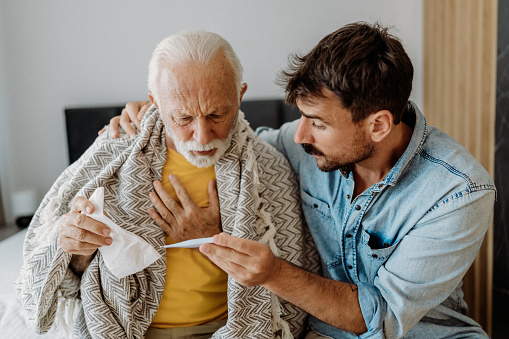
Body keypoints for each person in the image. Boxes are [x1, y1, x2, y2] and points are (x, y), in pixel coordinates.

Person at [117, 22, 496, 338]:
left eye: (317, 123)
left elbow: (380, 319)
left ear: (378, 124)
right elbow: (234, 146)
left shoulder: (459, 192)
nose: (299, 136)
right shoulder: (300, 147)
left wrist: (273, 273)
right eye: (301, 116)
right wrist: (153, 118)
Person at [16, 30, 318, 339]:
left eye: (217, 114)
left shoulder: (269, 169)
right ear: (154, 103)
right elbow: (63, 276)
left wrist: (214, 241)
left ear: (239, 95)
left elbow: (288, 292)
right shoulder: (113, 153)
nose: (202, 137)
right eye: (183, 118)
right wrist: (74, 246)